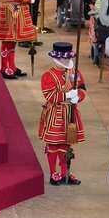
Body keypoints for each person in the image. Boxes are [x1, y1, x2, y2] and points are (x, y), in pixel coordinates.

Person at [39, 42, 86, 185]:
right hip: (55, 114)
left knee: (66, 145)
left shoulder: (75, 73)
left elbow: (82, 88)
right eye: (64, 59)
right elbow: (50, 96)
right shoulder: (48, 75)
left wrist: (78, 96)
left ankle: (66, 172)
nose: (67, 61)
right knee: (53, 145)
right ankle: (54, 173)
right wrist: (66, 96)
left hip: (70, 113)